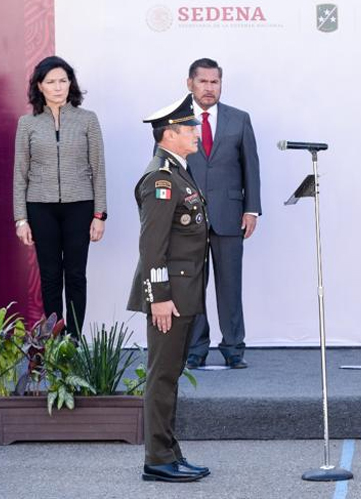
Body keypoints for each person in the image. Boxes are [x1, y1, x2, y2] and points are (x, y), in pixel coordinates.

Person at [127, 94, 211, 483]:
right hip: (170, 298)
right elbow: (152, 246)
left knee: (170, 375)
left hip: (183, 293)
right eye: (189, 127)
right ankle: (157, 459)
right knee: (162, 376)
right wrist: (158, 299)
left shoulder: (178, 170)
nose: (196, 131)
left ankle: (169, 452)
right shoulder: (160, 179)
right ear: (168, 135)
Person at [13, 56, 107, 339]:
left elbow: (99, 169)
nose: (58, 87)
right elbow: (20, 173)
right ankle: (56, 342)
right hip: (40, 207)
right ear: (39, 86)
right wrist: (21, 218)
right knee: (51, 277)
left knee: (76, 275)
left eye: (63, 81)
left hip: (80, 206)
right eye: (51, 82)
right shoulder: (28, 123)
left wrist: (99, 214)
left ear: (71, 84)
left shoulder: (87, 120)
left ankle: (74, 341)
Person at [183, 58, 261, 370]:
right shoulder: (175, 119)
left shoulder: (239, 119)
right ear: (190, 83)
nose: (209, 88)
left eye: (214, 82)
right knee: (193, 288)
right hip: (188, 218)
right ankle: (195, 349)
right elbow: (164, 169)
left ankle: (233, 349)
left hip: (230, 215)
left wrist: (251, 209)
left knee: (230, 285)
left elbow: (250, 167)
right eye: (203, 82)